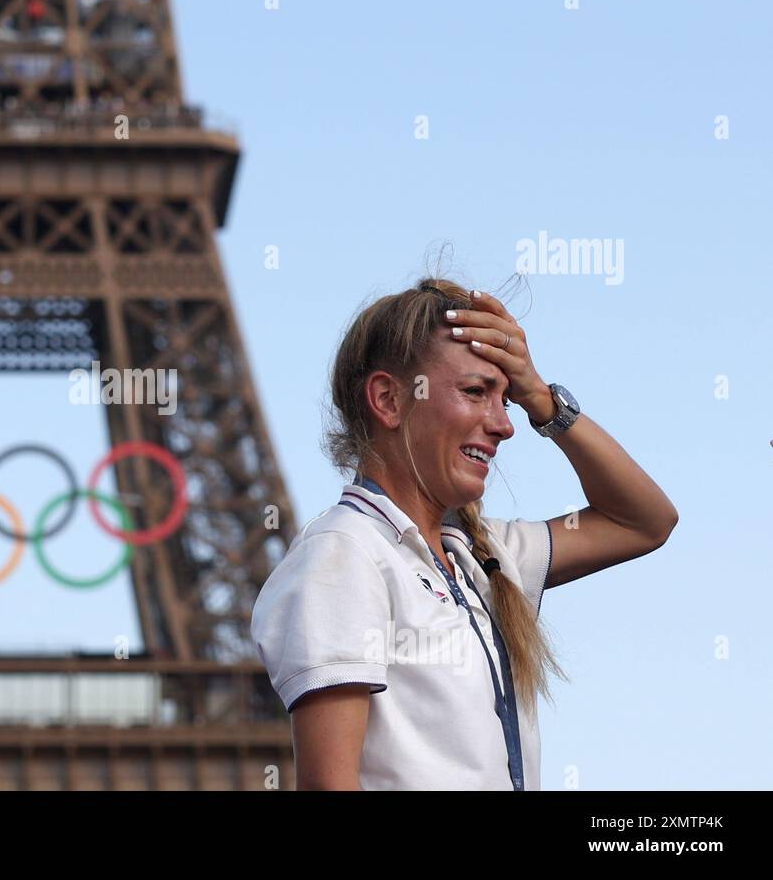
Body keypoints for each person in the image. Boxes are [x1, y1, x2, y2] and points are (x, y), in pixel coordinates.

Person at [250, 278, 678, 790]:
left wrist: (543, 400)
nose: (505, 424)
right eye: (475, 392)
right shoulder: (345, 554)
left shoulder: (487, 555)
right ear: (388, 400)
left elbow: (646, 520)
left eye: (507, 399)